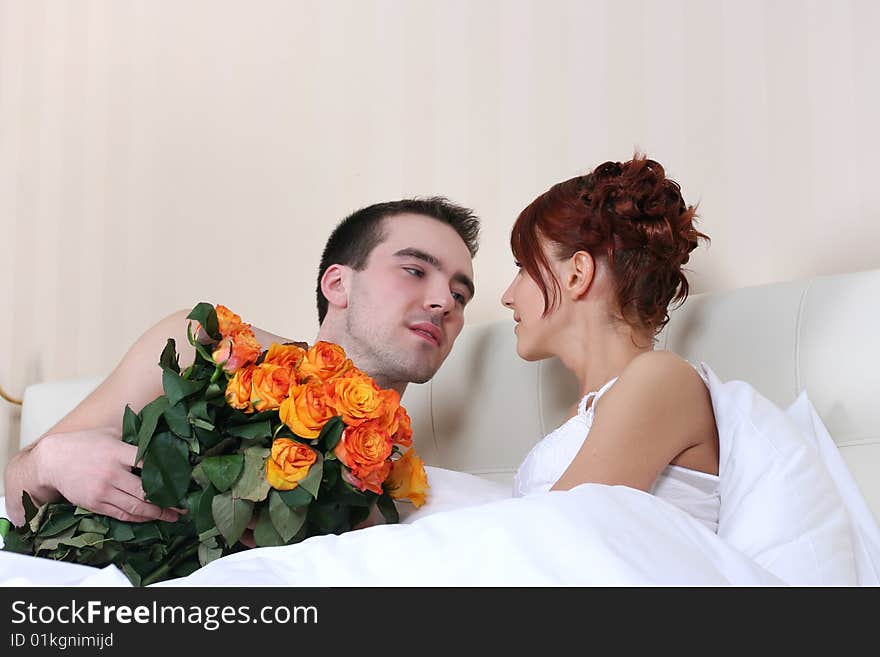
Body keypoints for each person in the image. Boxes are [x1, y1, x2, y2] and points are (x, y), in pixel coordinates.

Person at [2, 197, 480, 528]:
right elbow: (19, 490)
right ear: (338, 285)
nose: (444, 302)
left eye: (460, 294)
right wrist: (49, 460)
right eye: (415, 271)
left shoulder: (403, 491)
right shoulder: (206, 342)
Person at [502, 154, 721, 532]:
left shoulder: (663, 379)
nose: (507, 296)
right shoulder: (583, 415)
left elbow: (558, 533)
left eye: (523, 267)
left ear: (577, 274)